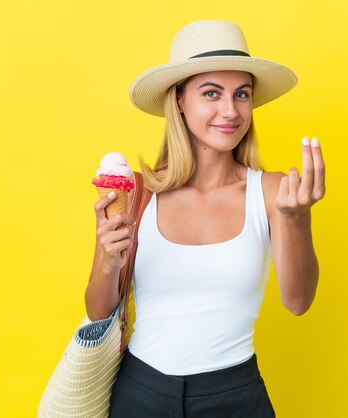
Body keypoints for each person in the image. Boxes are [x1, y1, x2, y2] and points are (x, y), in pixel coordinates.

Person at [85, 20, 325, 417]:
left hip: (234, 396)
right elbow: (98, 312)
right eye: (211, 93)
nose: (230, 111)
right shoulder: (138, 193)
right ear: (179, 101)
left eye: (241, 94)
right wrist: (109, 262)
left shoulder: (273, 192)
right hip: (140, 394)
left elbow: (298, 302)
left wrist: (296, 219)